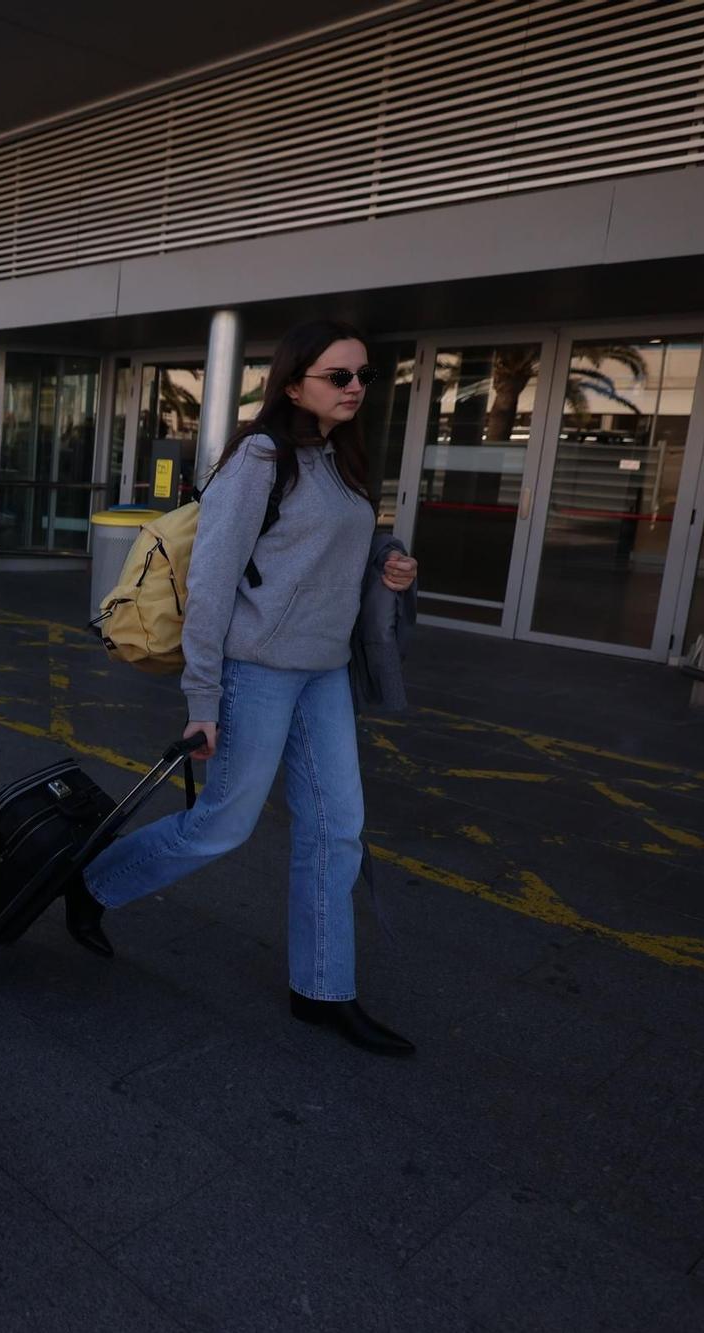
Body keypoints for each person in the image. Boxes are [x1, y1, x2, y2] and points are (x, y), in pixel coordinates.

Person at [81, 319, 421, 1056]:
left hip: (324, 671)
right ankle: (90, 885)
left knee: (338, 828)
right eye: (340, 376)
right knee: (222, 825)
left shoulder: (340, 458)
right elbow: (210, 583)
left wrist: (389, 558)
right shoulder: (262, 458)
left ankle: (324, 990)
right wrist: (203, 702)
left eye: (365, 375)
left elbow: (335, 547)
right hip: (257, 669)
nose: (357, 387)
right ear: (294, 382)